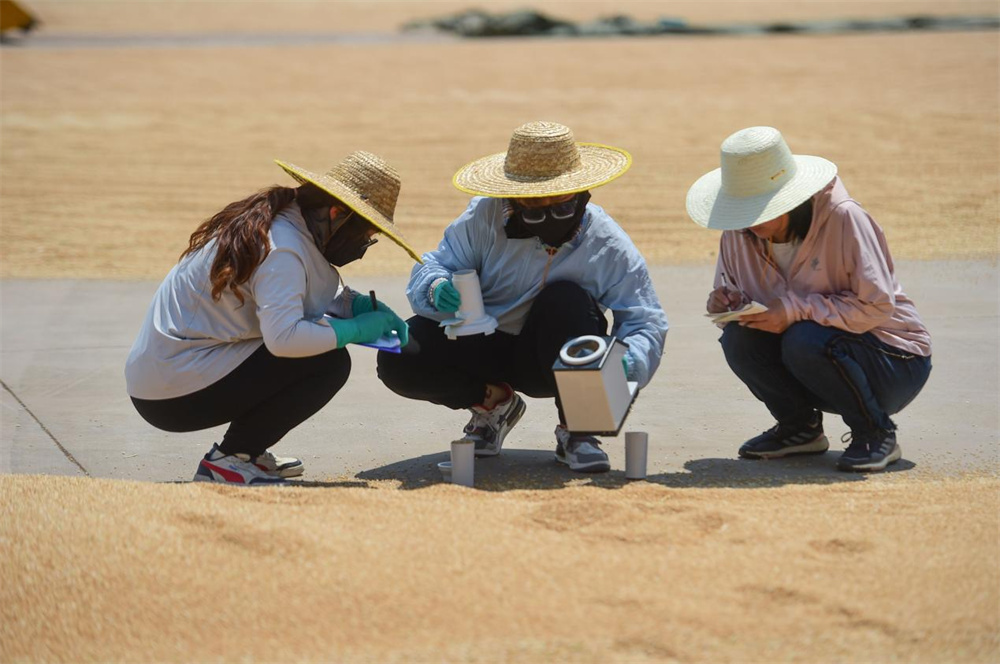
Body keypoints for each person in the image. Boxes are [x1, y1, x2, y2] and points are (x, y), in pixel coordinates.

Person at [377, 121, 668, 473]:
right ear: (513, 196)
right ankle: (493, 406)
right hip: (479, 345)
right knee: (400, 354)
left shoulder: (607, 243)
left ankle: (580, 431)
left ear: (580, 193)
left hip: (554, 358)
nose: (548, 214)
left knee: (567, 300)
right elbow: (437, 263)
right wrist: (436, 288)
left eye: (560, 203)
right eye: (534, 205)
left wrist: (628, 363)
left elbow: (644, 319)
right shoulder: (484, 216)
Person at [125, 151, 419, 485]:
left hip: (170, 374)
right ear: (337, 214)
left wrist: (357, 306)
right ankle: (230, 461)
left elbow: (303, 289)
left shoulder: (288, 226)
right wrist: (352, 329)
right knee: (327, 363)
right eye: (364, 233)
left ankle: (245, 450)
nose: (364, 245)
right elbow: (285, 339)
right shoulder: (282, 248)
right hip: (172, 390)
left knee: (315, 350)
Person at [686, 126, 932, 472]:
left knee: (804, 336)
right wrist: (728, 303)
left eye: (759, 209)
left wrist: (793, 310)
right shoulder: (739, 230)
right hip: (816, 362)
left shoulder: (845, 217)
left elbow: (877, 306)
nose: (748, 222)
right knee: (739, 338)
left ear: (793, 199)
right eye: (742, 209)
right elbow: (737, 290)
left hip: (894, 361)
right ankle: (799, 429)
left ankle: (876, 433)